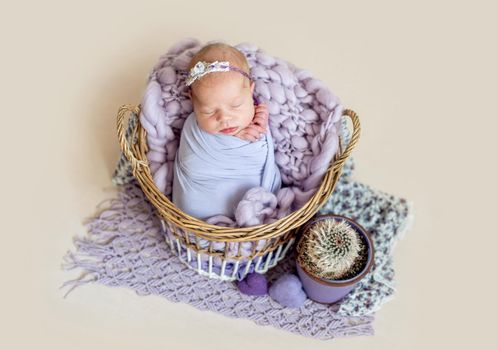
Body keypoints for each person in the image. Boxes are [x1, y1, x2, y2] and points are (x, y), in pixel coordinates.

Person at [172, 43, 281, 220]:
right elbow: (192, 161)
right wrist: (237, 138)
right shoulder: (193, 128)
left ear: (250, 91)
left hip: (249, 198)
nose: (224, 119)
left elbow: (260, 155)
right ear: (192, 100)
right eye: (208, 111)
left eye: (236, 105)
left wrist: (259, 125)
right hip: (198, 210)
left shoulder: (257, 114)